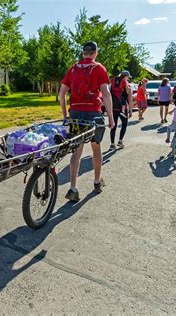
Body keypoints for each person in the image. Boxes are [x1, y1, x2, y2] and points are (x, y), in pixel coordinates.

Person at [59, 41, 115, 201]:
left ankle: (73, 188)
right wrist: (110, 117)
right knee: (96, 148)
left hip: (75, 113)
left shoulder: (74, 68)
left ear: (83, 53)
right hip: (93, 113)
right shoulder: (99, 68)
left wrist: (65, 115)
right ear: (95, 53)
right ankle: (97, 182)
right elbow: (106, 94)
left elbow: (62, 92)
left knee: (77, 150)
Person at [110, 70, 133, 149]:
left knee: (114, 125)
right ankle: (120, 141)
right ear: (126, 77)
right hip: (123, 109)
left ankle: (112, 144)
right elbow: (130, 100)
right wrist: (130, 110)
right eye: (128, 77)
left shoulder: (113, 85)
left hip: (113, 108)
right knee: (124, 124)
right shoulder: (128, 87)